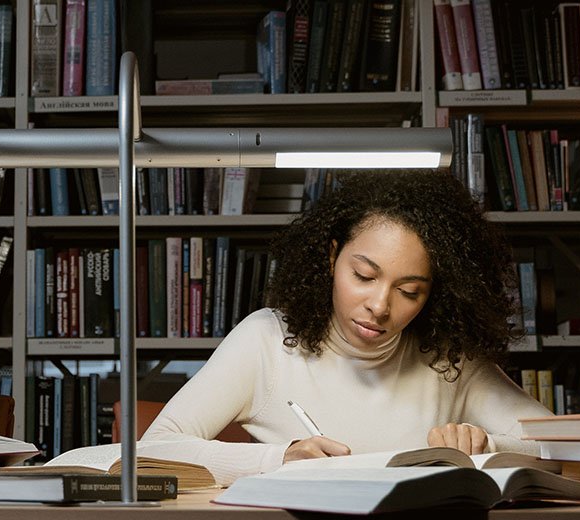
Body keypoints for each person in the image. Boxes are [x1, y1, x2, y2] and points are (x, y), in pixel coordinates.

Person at [142, 170, 551, 486]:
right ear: (333, 257)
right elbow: (154, 450)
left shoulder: (447, 358)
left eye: (409, 291)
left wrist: (486, 445)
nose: (379, 305)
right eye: (364, 275)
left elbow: (562, 446)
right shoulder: (265, 340)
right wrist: (279, 459)